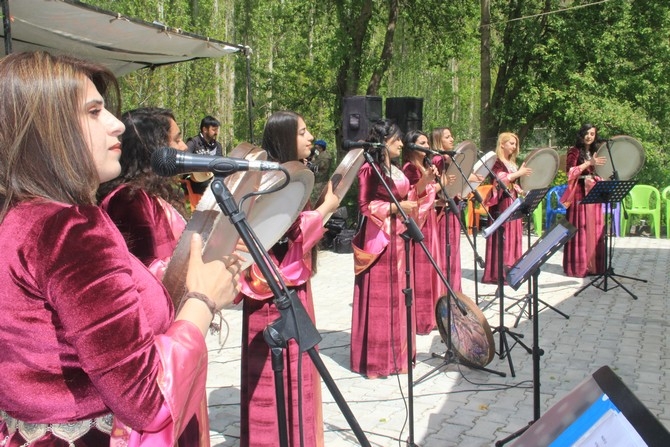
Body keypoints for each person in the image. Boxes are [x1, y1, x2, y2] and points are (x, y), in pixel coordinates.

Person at [0, 51, 241, 446]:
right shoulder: (69, 228)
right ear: (48, 130)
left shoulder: (22, 217)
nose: (116, 125)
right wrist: (202, 299)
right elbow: (145, 398)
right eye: (94, 112)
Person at [238, 111, 340, 446]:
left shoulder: (290, 176)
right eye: (303, 132)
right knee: (276, 371)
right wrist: (326, 209)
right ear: (284, 138)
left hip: (291, 283)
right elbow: (288, 235)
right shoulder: (270, 182)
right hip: (273, 290)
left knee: (298, 370)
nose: (311, 137)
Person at [350, 119, 424, 378]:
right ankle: (379, 358)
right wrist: (394, 208)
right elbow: (363, 206)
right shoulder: (369, 171)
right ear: (383, 143)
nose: (401, 144)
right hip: (380, 238)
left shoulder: (394, 168)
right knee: (382, 298)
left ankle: (401, 354)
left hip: (401, 236)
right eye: (396, 141)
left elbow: (408, 196)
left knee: (401, 293)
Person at [98, 107, 189, 280]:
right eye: (177, 140)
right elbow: (142, 271)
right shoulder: (127, 199)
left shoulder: (151, 193)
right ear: (154, 148)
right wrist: (202, 263)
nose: (184, 147)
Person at [401, 130, 441, 335]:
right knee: (421, 268)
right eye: (422, 142)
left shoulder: (425, 166)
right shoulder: (408, 168)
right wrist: (426, 181)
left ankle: (434, 314)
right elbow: (410, 194)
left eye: (427, 142)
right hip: (419, 222)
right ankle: (421, 318)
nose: (427, 145)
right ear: (412, 146)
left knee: (432, 266)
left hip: (430, 219)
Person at [482, 132, 532, 284]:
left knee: (513, 233)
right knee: (504, 234)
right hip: (502, 203)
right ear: (502, 144)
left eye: (515, 144)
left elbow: (512, 181)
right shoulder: (497, 162)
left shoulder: (512, 162)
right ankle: (499, 272)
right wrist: (519, 173)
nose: (514, 146)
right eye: (511, 143)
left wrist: (520, 188)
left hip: (513, 199)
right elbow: (499, 180)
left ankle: (513, 267)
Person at [561, 123, 607, 277]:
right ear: (581, 134)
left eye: (592, 134)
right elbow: (570, 172)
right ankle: (579, 267)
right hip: (579, 192)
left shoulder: (596, 151)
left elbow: (601, 170)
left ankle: (594, 265)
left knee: (595, 227)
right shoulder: (574, 151)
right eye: (587, 133)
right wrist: (588, 163)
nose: (589, 136)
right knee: (580, 227)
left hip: (594, 192)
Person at [430, 127, 463, 296]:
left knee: (453, 249)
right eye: (447, 137)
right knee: (445, 250)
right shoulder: (437, 160)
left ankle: (454, 289)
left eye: (452, 136)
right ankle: (445, 290)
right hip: (442, 211)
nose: (452, 139)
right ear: (438, 140)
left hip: (452, 205)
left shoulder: (450, 159)